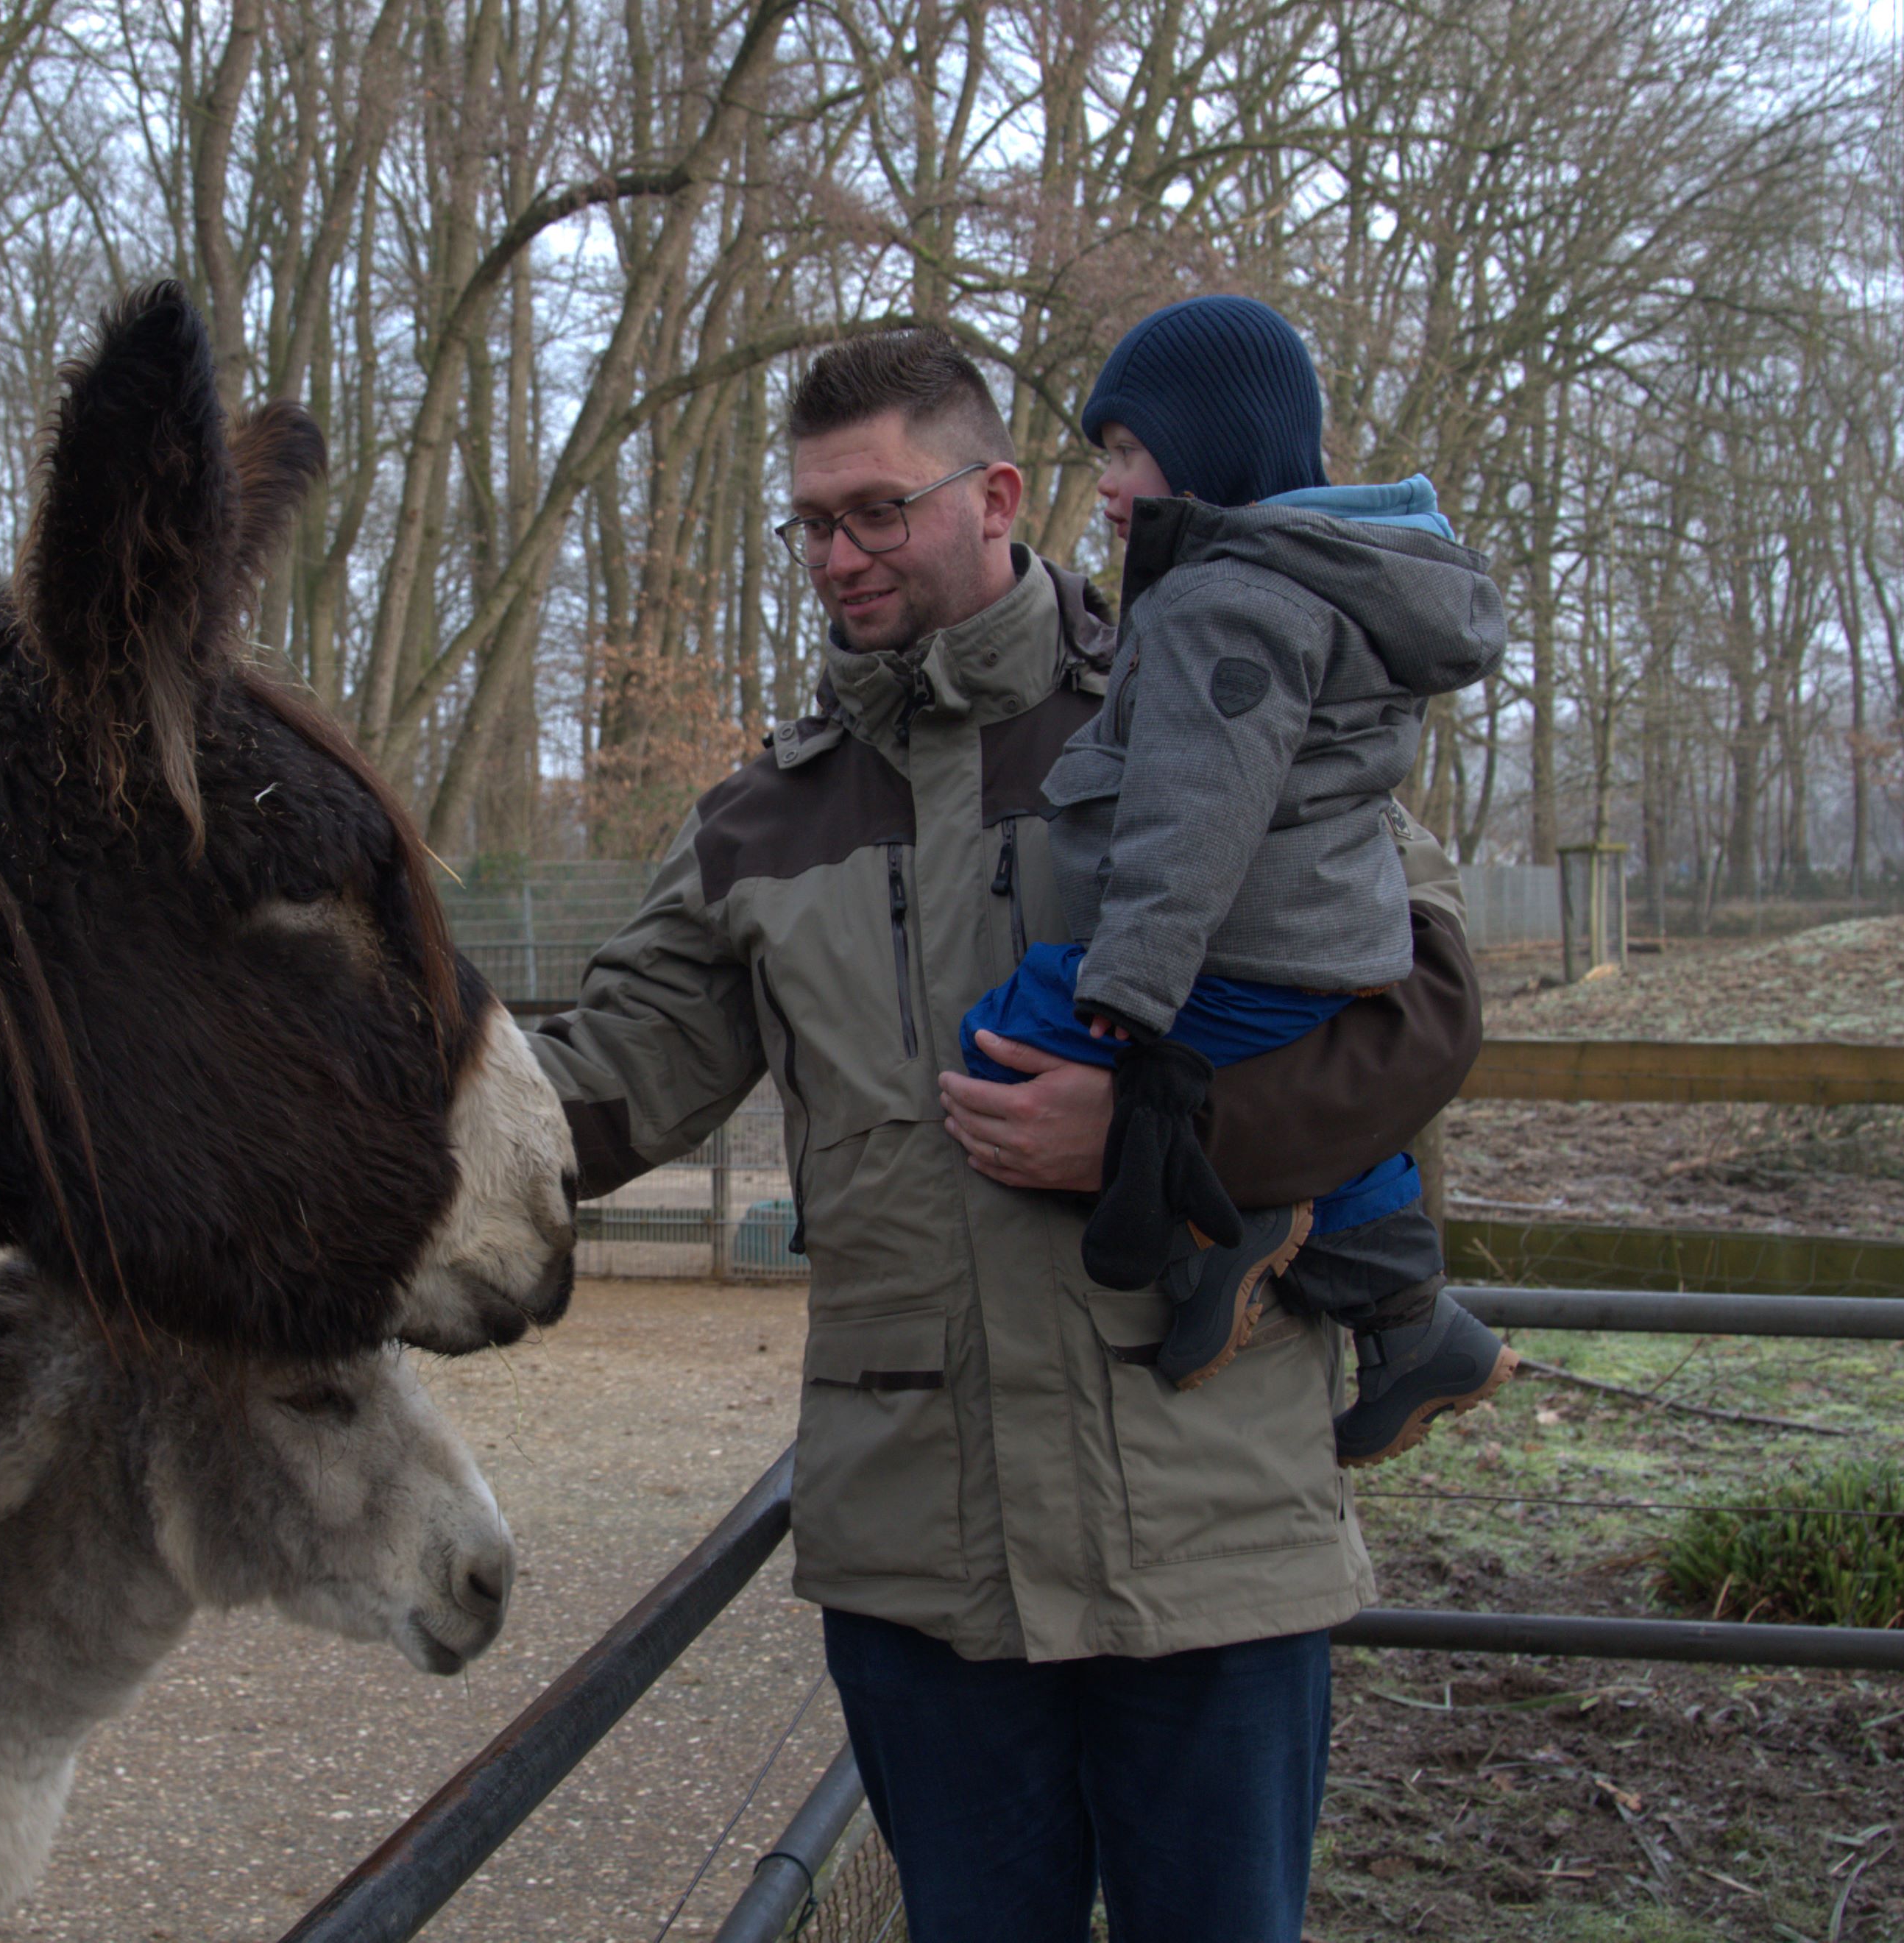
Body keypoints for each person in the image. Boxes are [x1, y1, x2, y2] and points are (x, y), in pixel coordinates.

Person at [523, 325, 1483, 1943]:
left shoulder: (1207, 686)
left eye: (879, 511)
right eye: (813, 523)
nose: (839, 556)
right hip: (925, 1562)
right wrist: (335, 1093)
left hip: (1205, 1527)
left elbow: (1424, 1011)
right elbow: (600, 1090)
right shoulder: (764, 823)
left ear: (999, 496)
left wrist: (1156, 1141)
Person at [956, 294, 1518, 1468]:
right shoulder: (1317, 588)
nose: (1106, 483)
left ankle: (1222, 1229)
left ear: (1205, 454)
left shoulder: (1226, 604)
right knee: (1294, 1113)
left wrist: (1135, 983)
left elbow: (1194, 815)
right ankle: (1411, 1323)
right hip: (1326, 945)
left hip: (1243, 951)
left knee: (1007, 1036)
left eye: (1126, 452)